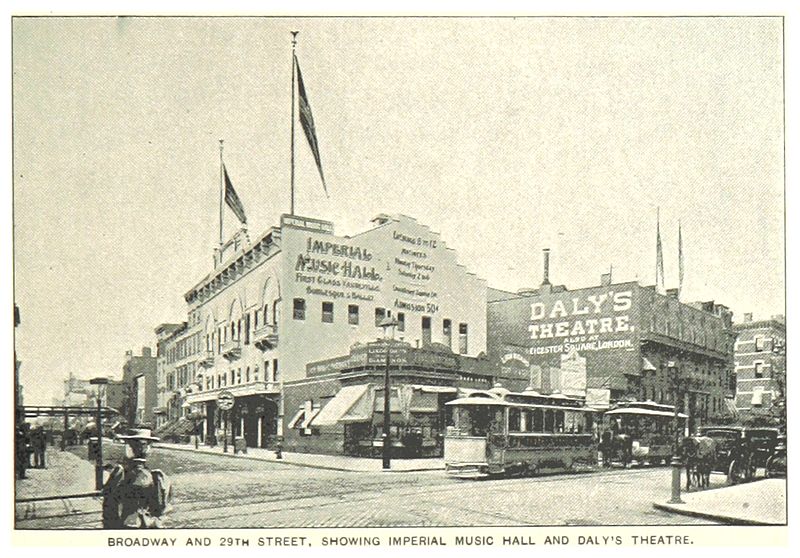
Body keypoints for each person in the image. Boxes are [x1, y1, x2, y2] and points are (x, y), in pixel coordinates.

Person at [102, 428, 172, 529]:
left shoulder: (120, 474)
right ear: (149, 448)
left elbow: (109, 507)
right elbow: (162, 509)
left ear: (129, 448)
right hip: (150, 526)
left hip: (127, 525)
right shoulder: (158, 477)